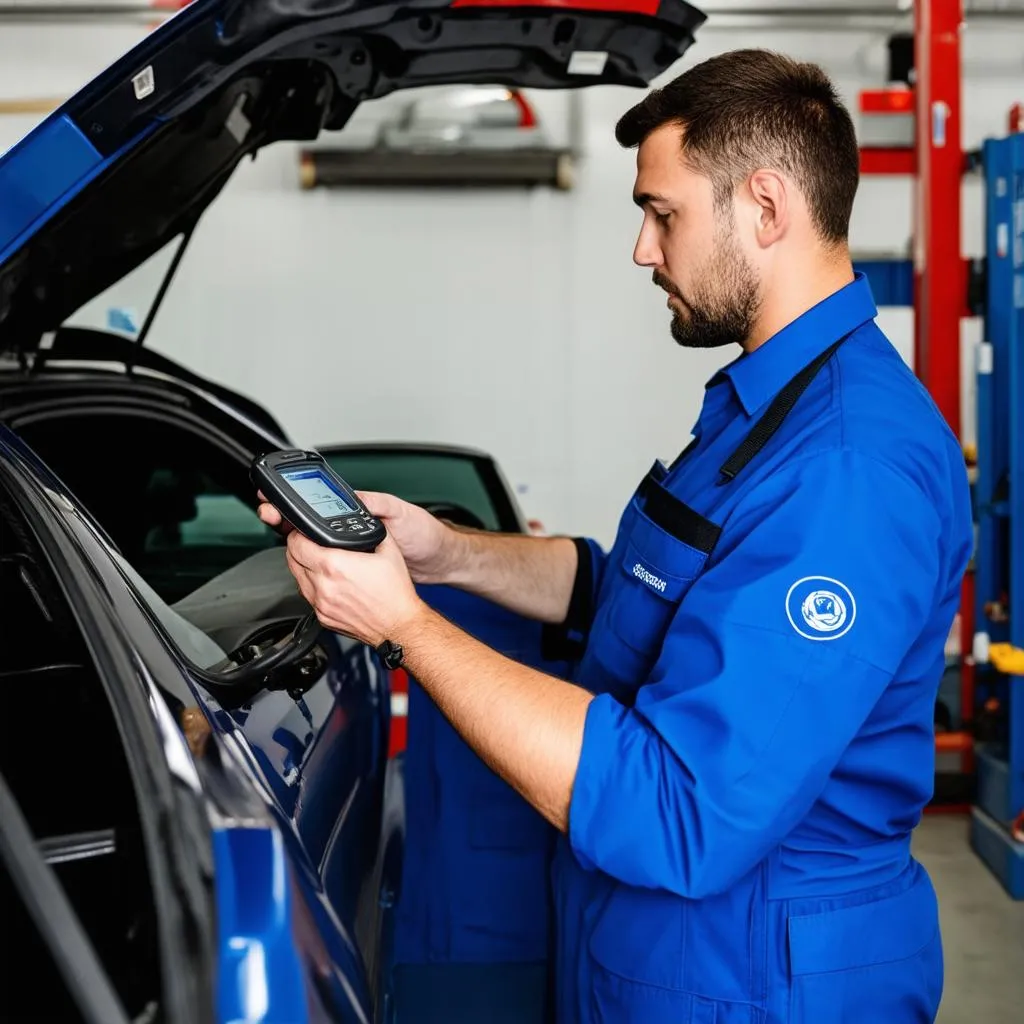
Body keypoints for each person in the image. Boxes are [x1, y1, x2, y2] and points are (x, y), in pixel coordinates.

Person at [260, 48, 973, 1024]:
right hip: (677, 965)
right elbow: (626, 593)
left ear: (764, 209)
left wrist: (405, 627)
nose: (643, 249)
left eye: (662, 213)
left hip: (756, 989)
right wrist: (445, 554)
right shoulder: (764, 414)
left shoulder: (849, 471)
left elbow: (682, 809)